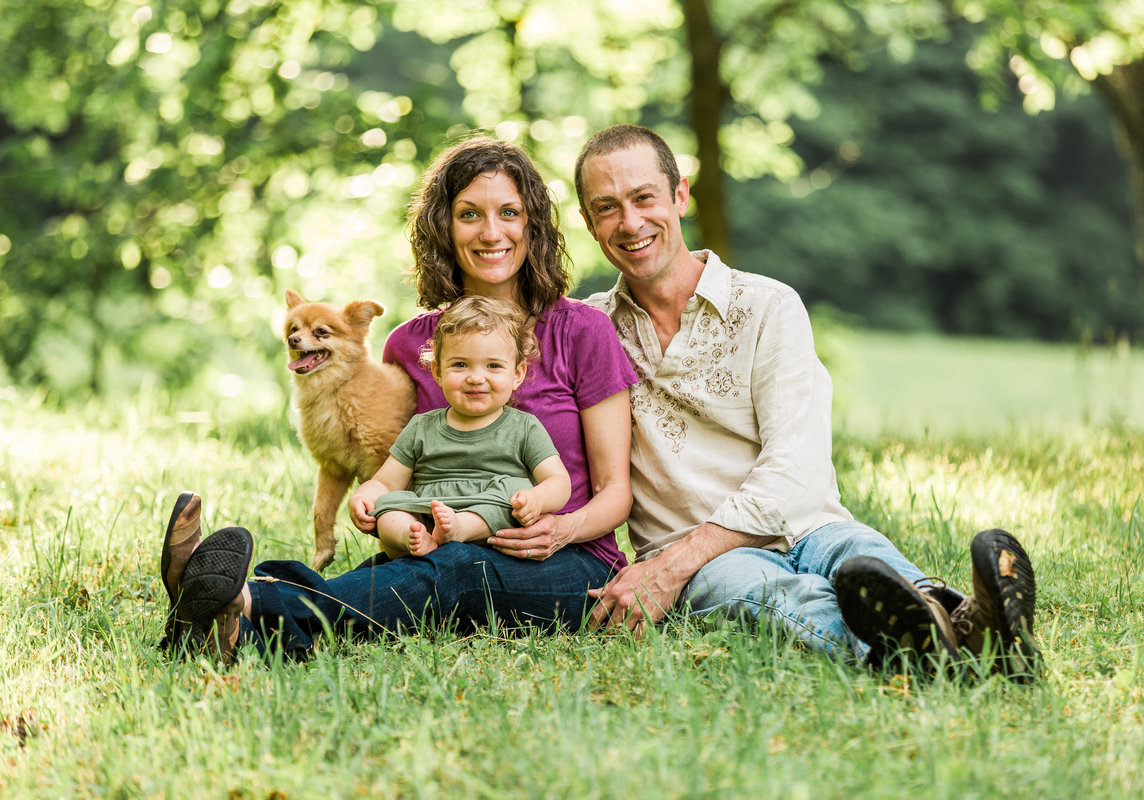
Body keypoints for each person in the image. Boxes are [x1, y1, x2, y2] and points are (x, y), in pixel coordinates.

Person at [575, 124, 1041, 678]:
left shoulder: (769, 305)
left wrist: (671, 566)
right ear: (588, 223)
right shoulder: (590, 332)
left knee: (863, 556)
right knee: (771, 594)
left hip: (808, 524)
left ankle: (960, 621)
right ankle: (957, 645)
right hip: (711, 561)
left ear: (680, 195)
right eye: (606, 208)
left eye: (643, 197)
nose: (629, 222)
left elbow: (796, 471)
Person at [159, 137, 638, 661]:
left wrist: (558, 529)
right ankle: (232, 628)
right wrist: (375, 504)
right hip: (441, 541)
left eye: (509, 213)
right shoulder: (409, 345)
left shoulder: (582, 330)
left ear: (533, 225)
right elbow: (400, 464)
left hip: (570, 562)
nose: (491, 232)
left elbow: (616, 493)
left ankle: (242, 599)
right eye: (469, 214)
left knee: (454, 572)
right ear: (443, 227)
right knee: (393, 576)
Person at [349, 295, 571, 558]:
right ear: (438, 372)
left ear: (517, 374)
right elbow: (387, 482)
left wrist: (537, 499)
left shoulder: (523, 427)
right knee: (388, 506)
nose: (476, 378)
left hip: (490, 510)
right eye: (460, 365)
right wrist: (365, 495)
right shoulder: (422, 427)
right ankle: (413, 535)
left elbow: (558, 481)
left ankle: (460, 528)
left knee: (511, 495)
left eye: (493, 366)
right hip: (429, 511)